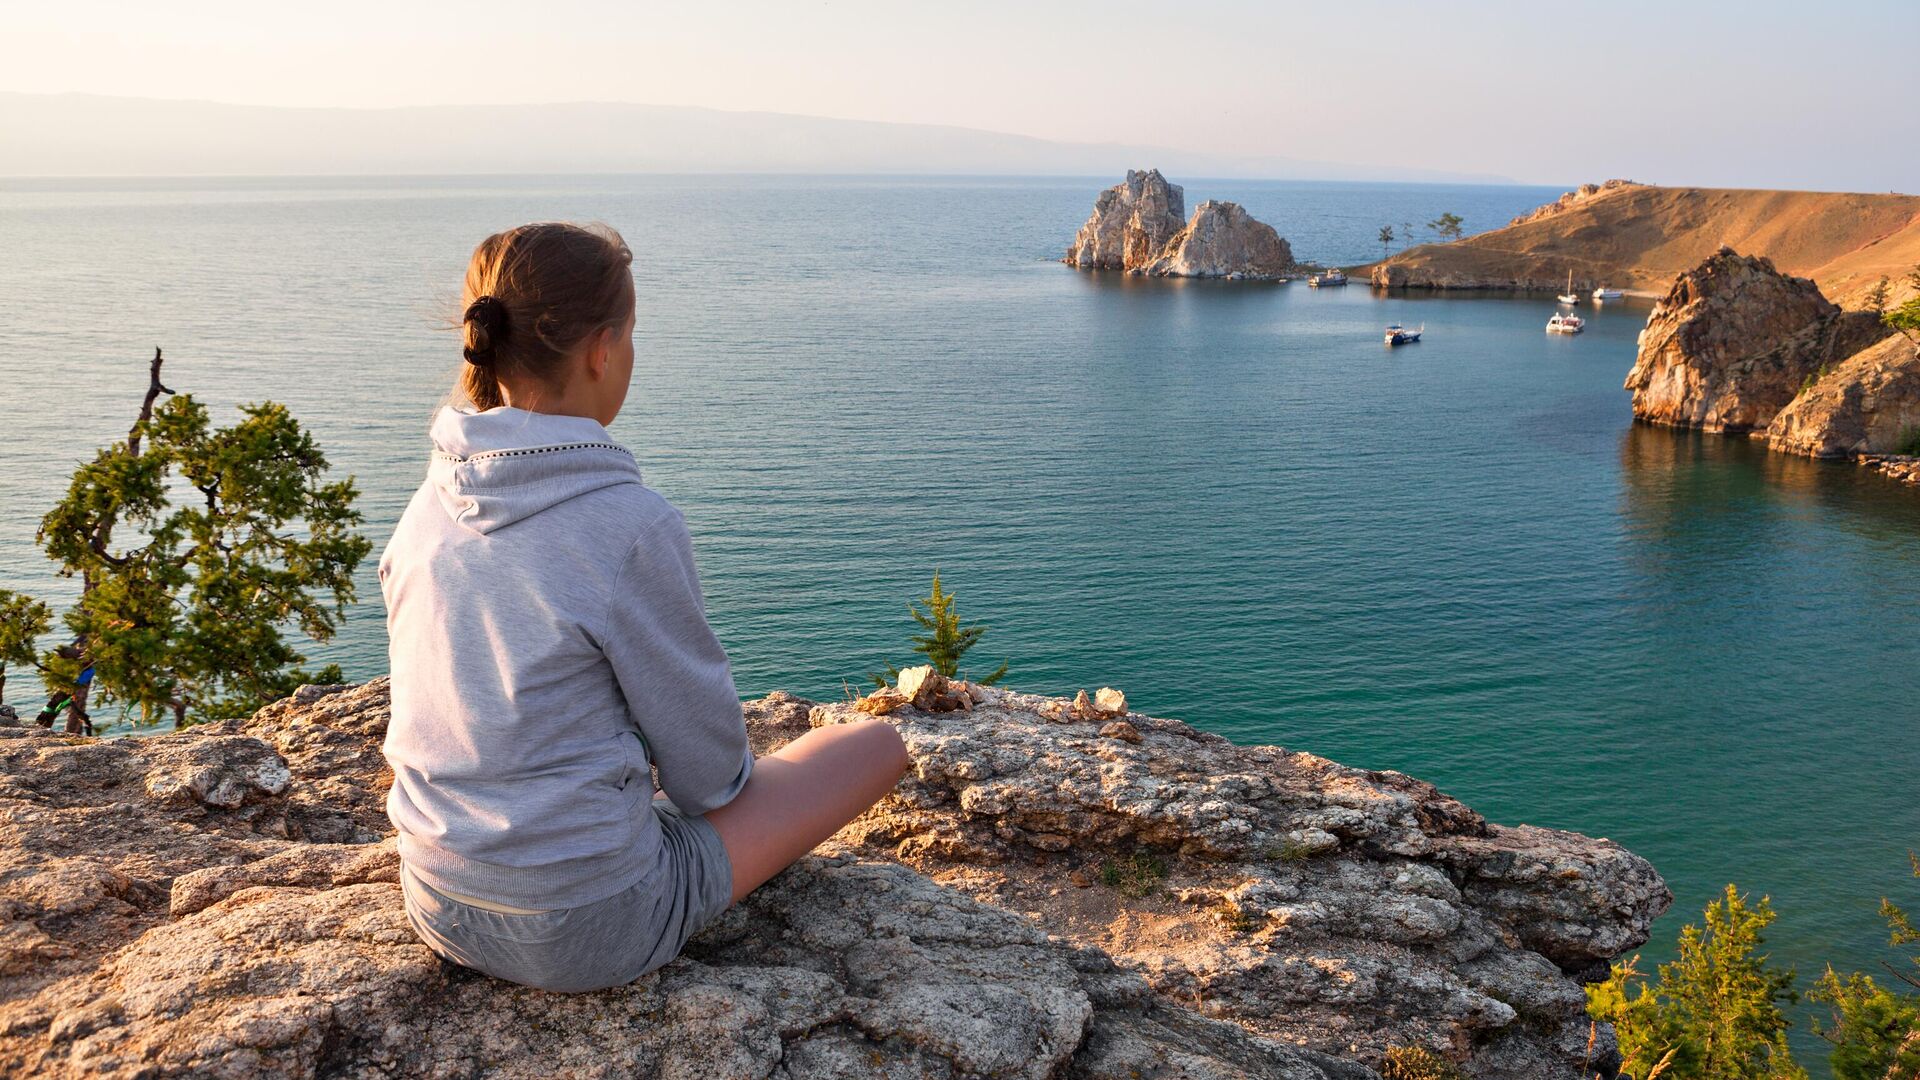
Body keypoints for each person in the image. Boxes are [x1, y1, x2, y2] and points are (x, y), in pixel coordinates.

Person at [380, 222, 907, 993]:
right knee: (875, 746)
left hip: (438, 899)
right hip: (589, 928)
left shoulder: (425, 507)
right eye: (630, 338)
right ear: (601, 350)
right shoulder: (628, 525)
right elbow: (712, 782)